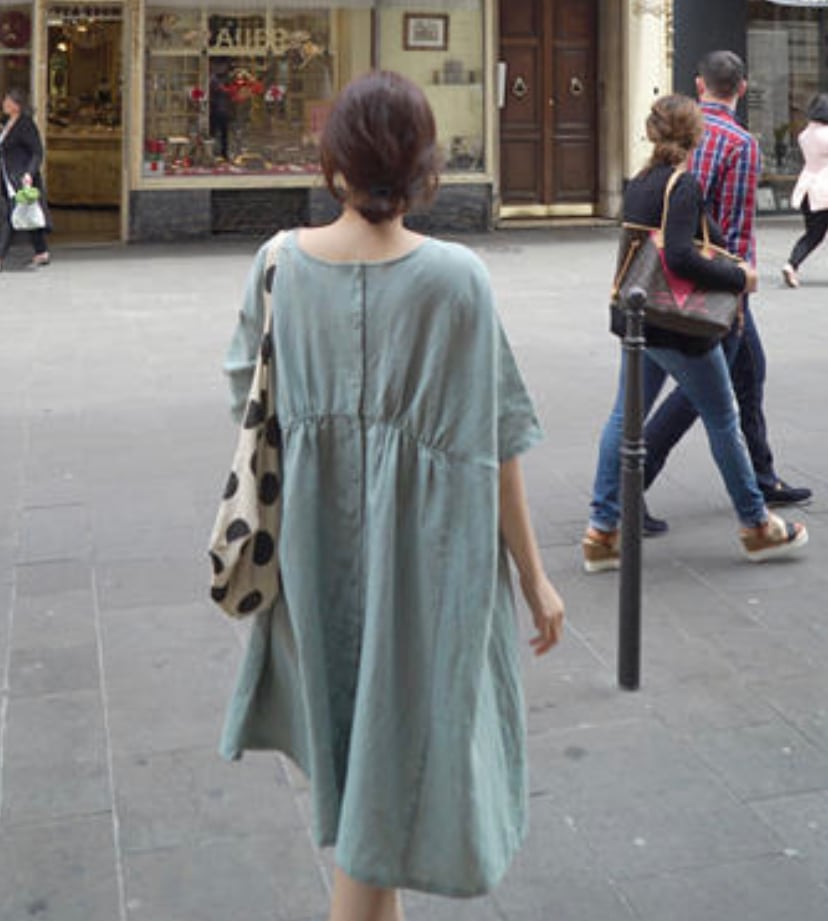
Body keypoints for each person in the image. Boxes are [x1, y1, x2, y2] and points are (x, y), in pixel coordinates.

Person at [218, 71, 565, 920]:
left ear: (334, 162)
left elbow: (246, 398)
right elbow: (497, 442)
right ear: (423, 167)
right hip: (431, 564)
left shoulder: (278, 263)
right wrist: (533, 576)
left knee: (363, 789)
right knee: (381, 792)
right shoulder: (457, 278)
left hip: (312, 555)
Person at [583, 93, 808, 574]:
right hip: (677, 324)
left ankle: (601, 531)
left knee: (624, 417)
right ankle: (756, 525)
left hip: (639, 318)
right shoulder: (681, 185)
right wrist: (739, 277)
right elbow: (681, 256)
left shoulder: (641, 182)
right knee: (723, 418)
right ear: (695, 135)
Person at [642, 51, 811, 533]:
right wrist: (738, 289)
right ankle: (634, 480)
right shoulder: (740, 142)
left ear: (700, 85)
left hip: (674, 278)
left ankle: (762, 475)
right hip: (720, 284)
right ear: (742, 88)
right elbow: (734, 230)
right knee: (701, 392)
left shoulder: (683, 134)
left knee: (749, 371)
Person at [0, 87, 50, 270]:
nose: (4, 103)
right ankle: (41, 252)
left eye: (7, 101)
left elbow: (37, 152)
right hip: (7, 176)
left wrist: (29, 173)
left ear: (16, 105)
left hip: (19, 177)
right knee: (24, 212)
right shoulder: (7, 123)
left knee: (10, 216)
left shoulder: (25, 124)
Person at [782, 93, 828, 288]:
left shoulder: (805, 135)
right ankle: (791, 265)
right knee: (815, 235)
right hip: (824, 189)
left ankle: (791, 264)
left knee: (813, 234)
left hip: (807, 188)